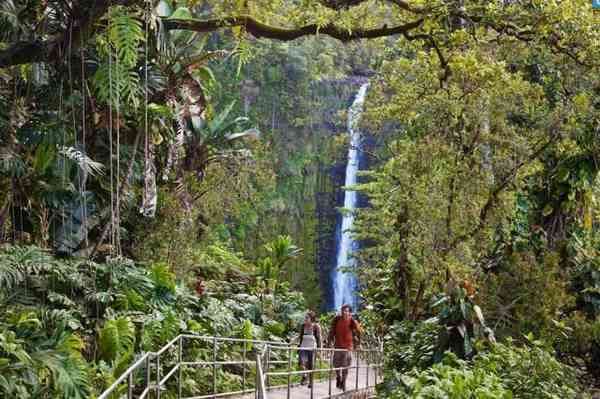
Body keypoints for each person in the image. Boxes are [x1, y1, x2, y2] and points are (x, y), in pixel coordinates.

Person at [328, 304, 362, 391]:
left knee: (346, 365)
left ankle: (343, 382)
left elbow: (359, 332)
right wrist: (330, 342)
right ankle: (338, 377)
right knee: (336, 363)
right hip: (338, 345)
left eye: (347, 311)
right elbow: (331, 331)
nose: (345, 312)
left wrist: (358, 343)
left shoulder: (352, 321)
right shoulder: (336, 319)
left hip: (348, 347)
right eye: (343, 310)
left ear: (350, 312)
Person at [297, 310, 321, 387]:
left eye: (307, 317)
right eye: (305, 317)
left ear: (311, 318)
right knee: (301, 363)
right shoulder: (303, 326)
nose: (306, 319)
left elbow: (319, 338)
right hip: (303, 347)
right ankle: (305, 375)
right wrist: (296, 344)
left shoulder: (316, 326)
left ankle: (311, 382)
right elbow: (300, 337)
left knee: (311, 365)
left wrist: (319, 349)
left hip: (312, 348)